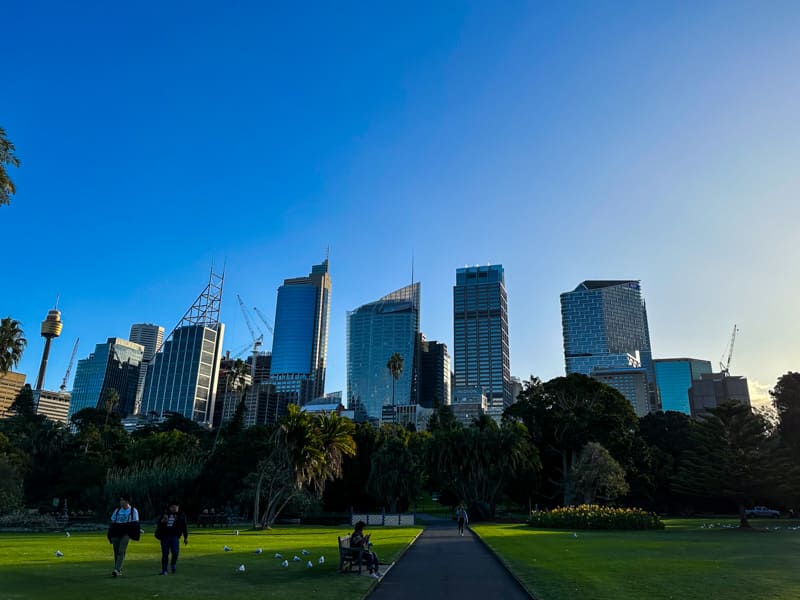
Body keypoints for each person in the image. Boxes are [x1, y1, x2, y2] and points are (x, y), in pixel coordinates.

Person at [107, 494, 140, 577]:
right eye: (120, 500)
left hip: (126, 532)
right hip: (116, 531)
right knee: (116, 551)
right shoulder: (117, 510)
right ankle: (118, 569)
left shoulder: (133, 510)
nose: (121, 502)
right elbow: (113, 521)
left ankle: (116, 569)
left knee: (121, 550)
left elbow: (135, 522)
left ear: (127, 501)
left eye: (122, 500)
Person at [155, 502, 189, 575]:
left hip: (175, 536)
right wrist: (163, 521)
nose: (174, 509)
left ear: (178, 507)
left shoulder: (181, 515)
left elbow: (184, 526)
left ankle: (173, 564)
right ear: (169, 507)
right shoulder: (165, 514)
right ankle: (164, 570)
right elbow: (158, 523)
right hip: (165, 536)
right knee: (165, 554)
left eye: (175, 507)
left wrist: (185, 537)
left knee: (175, 552)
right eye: (172, 507)